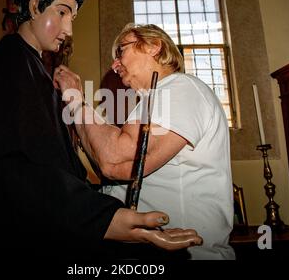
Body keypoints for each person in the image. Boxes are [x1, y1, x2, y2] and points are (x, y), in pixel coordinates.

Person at [0, 0, 202, 257]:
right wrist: (101, 216)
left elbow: (51, 163)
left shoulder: (33, 68)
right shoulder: (7, 60)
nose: (68, 30)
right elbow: (13, 163)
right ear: (34, 6)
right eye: (63, 12)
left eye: (73, 18)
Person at [54, 23, 235, 259]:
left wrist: (75, 98)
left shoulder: (180, 87)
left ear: (153, 46)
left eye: (120, 51)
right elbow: (105, 159)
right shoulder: (153, 99)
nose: (114, 64)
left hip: (187, 255)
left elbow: (115, 160)